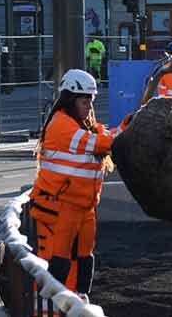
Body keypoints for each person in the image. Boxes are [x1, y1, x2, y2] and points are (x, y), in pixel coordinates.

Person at [29, 69, 131, 298]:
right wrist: (123, 132)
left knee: (84, 258)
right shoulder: (61, 125)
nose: (88, 107)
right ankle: (51, 309)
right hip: (60, 206)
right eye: (84, 101)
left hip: (83, 206)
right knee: (58, 260)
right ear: (69, 100)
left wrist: (124, 128)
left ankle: (79, 301)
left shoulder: (83, 125)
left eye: (90, 101)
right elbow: (100, 144)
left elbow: (105, 137)